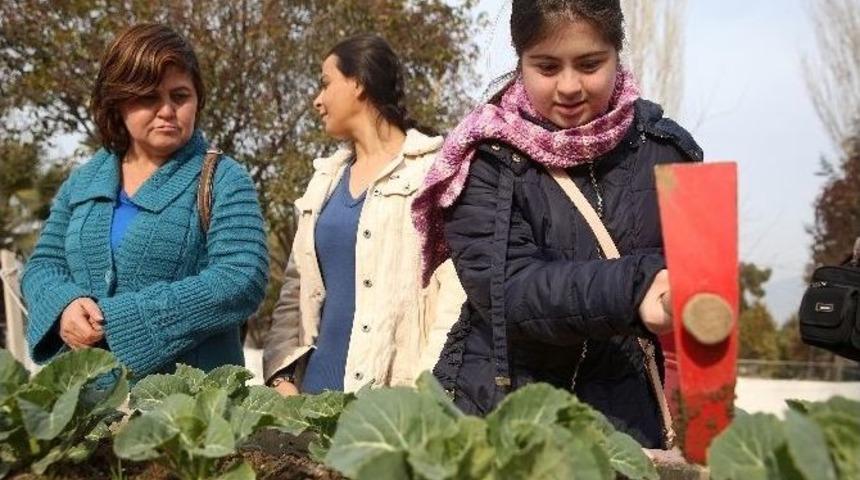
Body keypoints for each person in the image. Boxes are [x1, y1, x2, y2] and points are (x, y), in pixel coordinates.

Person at [412, 0, 703, 448]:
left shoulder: (670, 154)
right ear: (520, 59)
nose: (569, 86)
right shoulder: (484, 157)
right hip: (494, 417)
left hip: (622, 426)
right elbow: (509, 289)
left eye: (590, 64)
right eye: (546, 67)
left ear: (617, 52)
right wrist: (638, 290)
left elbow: (697, 284)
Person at [22, 23, 269, 379]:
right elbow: (43, 264)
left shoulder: (223, 179)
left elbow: (241, 279)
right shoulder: (83, 180)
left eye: (180, 96)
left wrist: (123, 321)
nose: (167, 110)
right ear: (118, 102)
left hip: (188, 412)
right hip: (84, 405)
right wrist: (64, 305)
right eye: (149, 97)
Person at [263, 34, 466, 396]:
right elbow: (295, 291)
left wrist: (426, 396)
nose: (317, 100)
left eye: (325, 84)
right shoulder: (324, 180)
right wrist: (282, 379)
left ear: (357, 82)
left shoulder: (433, 173)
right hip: (311, 403)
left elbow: (454, 298)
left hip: (390, 407)